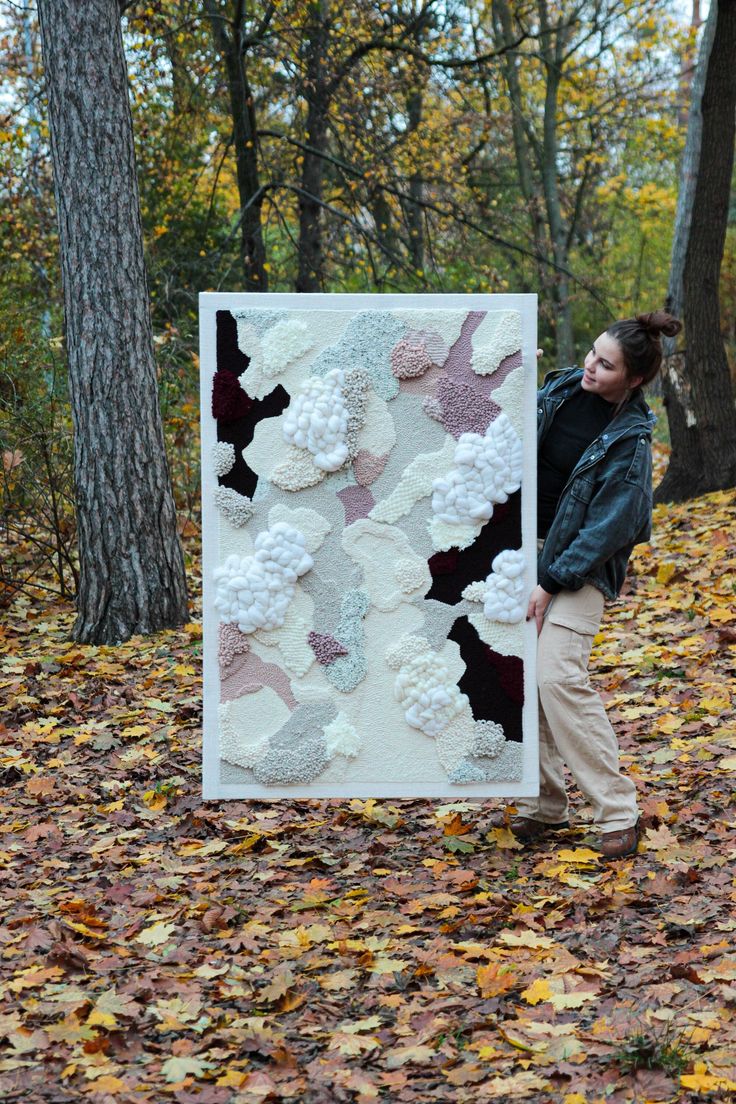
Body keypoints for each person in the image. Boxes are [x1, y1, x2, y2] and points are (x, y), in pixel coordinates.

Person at [494, 310, 682, 860]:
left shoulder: (631, 439)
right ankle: (546, 803)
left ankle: (619, 811)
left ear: (634, 380)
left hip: (579, 567)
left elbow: (611, 527)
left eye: (606, 364)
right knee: (525, 677)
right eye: (592, 354)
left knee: (557, 677)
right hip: (519, 553)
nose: (589, 368)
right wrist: (508, 379)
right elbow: (500, 432)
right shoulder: (557, 389)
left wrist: (551, 582)